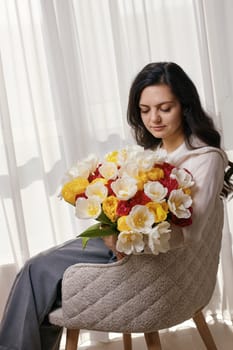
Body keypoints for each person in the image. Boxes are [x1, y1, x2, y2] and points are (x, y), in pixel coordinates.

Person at [0, 62, 232, 350]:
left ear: (184, 106)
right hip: (123, 245)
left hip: (144, 258)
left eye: (164, 108)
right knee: (41, 277)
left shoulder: (204, 158)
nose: (154, 119)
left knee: (37, 272)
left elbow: (190, 233)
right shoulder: (156, 152)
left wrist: (127, 240)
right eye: (145, 110)